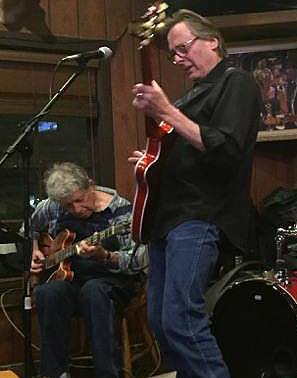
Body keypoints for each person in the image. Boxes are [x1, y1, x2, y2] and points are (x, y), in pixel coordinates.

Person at [129, 9, 262, 378]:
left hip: (200, 216)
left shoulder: (237, 83)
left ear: (213, 41)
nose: (177, 59)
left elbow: (227, 148)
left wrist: (166, 110)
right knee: (160, 322)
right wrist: (151, 160)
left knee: (181, 320)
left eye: (183, 48)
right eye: (173, 53)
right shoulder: (192, 97)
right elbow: (184, 149)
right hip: (166, 221)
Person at [30, 162, 147, 378]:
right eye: (67, 206)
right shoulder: (53, 206)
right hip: (71, 281)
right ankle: (55, 373)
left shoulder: (121, 211)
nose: (75, 209)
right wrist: (36, 249)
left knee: (94, 291)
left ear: (90, 186)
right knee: (48, 292)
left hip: (113, 282)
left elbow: (138, 260)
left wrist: (105, 256)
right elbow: (31, 226)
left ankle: (108, 373)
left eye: (79, 201)